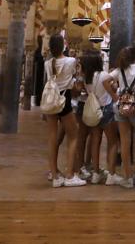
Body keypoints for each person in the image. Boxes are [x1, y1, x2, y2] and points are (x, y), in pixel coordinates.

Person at [104, 45, 135, 188]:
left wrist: (115, 97)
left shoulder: (120, 70)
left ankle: (127, 177)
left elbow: (105, 81)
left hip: (122, 108)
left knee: (125, 142)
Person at [44, 34, 85, 187]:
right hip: (64, 99)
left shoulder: (47, 63)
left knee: (52, 138)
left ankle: (54, 175)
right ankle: (69, 175)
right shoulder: (71, 61)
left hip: (51, 100)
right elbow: (76, 75)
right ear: (63, 46)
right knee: (73, 135)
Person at [79, 50, 119, 185]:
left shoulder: (86, 78)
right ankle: (111, 175)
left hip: (93, 111)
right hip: (106, 110)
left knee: (95, 142)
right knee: (113, 142)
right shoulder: (104, 76)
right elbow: (113, 94)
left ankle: (95, 173)